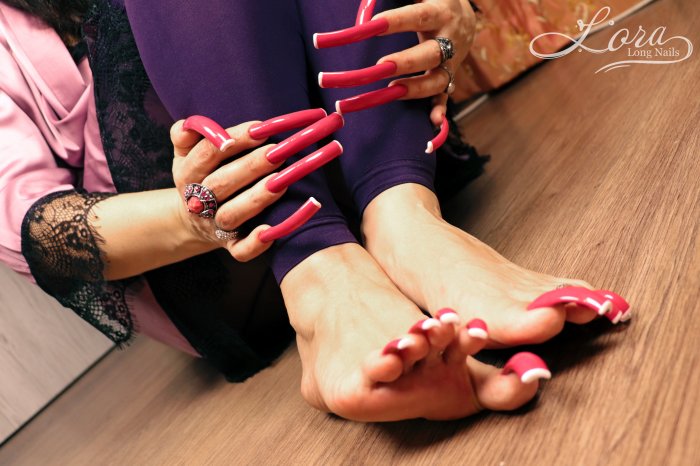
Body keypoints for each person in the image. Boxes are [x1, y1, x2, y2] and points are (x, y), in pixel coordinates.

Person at [2, 0, 625, 422]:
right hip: (231, 256)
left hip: (383, 149)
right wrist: (207, 211)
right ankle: (323, 284)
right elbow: (40, 229)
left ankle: (406, 224)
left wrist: (456, 16)